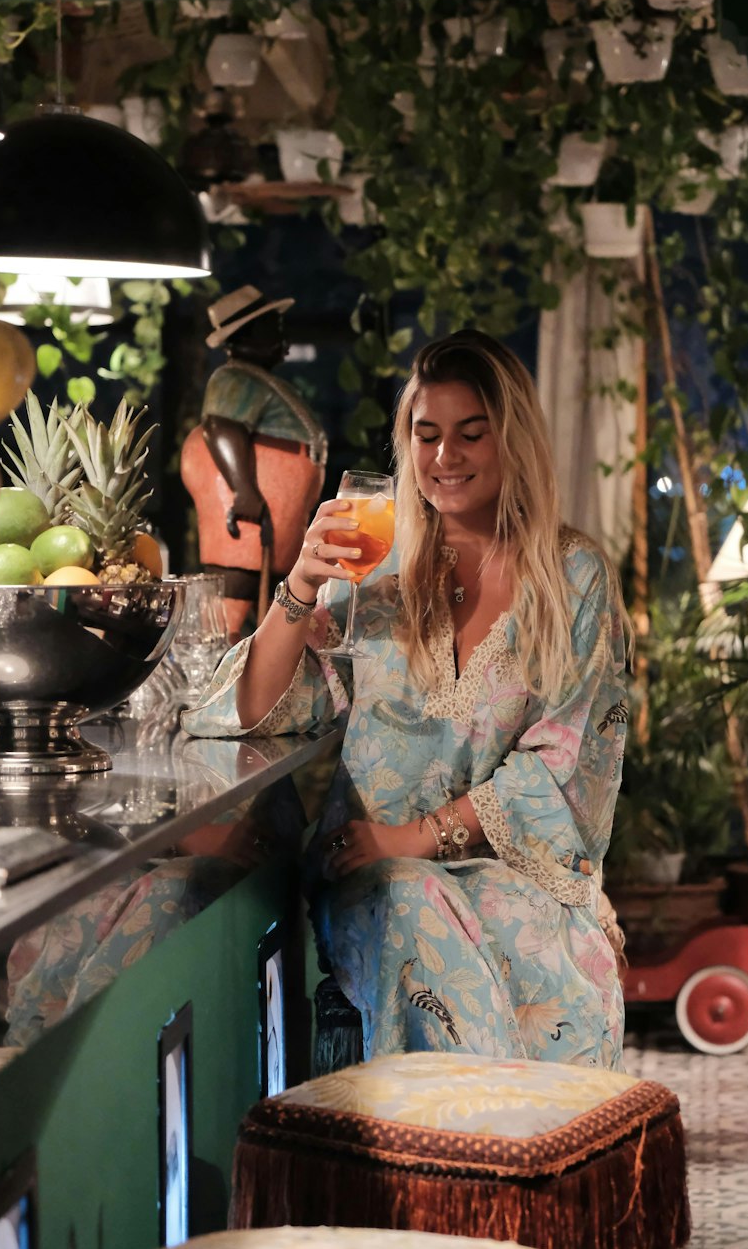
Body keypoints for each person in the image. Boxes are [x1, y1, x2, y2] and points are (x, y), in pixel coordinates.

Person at [182, 329, 630, 1068]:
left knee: (546, 969)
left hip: (515, 874)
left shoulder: (574, 577)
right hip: (374, 873)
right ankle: (478, 1166)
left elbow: (569, 764)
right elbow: (259, 707)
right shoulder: (377, 566)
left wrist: (417, 838)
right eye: (427, 435)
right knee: (410, 905)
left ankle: (505, 1164)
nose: (444, 458)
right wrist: (297, 587)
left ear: (512, 440)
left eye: (470, 435)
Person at [180, 285, 328, 640]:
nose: (283, 335)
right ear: (247, 334)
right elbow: (222, 427)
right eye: (272, 327)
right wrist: (244, 489)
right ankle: (219, 662)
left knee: (258, 589)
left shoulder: (253, 380)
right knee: (238, 582)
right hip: (249, 509)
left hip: (273, 510)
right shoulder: (233, 379)